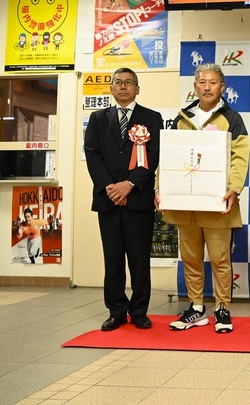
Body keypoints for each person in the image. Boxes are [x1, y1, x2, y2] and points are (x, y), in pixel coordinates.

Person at [156, 63, 249, 334]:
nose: (207, 87)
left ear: (222, 86)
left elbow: (240, 156)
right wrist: (160, 188)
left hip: (216, 202)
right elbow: (169, 157)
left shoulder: (232, 118)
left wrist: (234, 188)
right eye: (202, 82)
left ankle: (222, 309)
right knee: (191, 258)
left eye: (213, 82)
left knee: (220, 259)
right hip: (185, 203)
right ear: (195, 86)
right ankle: (196, 308)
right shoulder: (182, 118)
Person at [84, 67, 163, 331]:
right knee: (113, 258)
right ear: (111, 88)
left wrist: (129, 184)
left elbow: (154, 155)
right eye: (118, 82)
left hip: (138, 199)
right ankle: (116, 311)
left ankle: (139, 311)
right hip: (108, 199)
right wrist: (110, 187)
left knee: (139, 258)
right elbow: (92, 154)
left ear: (137, 88)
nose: (123, 86)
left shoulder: (151, 118)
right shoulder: (98, 118)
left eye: (129, 82)